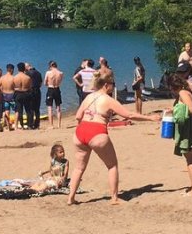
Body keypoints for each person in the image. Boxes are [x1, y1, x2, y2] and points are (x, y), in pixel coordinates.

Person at [66, 68, 161, 205]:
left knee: (79, 167)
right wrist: (150, 118)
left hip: (80, 132)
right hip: (97, 132)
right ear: (106, 85)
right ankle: (114, 198)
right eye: (113, 84)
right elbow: (129, 115)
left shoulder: (88, 97)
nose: (113, 87)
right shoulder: (108, 100)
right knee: (112, 165)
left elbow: (78, 116)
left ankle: (71, 198)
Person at [169, 72, 192, 196]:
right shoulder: (188, 89)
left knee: (190, 160)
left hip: (188, 131)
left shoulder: (182, 93)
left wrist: (176, 111)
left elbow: (191, 109)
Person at [44, 61, 64, 129]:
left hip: (50, 89)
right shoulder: (61, 73)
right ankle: (59, 125)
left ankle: (51, 125)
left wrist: (48, 84)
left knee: (50, 108)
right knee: (58, 107)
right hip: (57, 89)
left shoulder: (48, 72)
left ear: (50, 66)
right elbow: (60, 81)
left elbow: (45, 82)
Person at [12, 62, 31, 129]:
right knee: (28, 110)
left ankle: (22, 125)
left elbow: (12, 87)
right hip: (26, 93)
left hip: (18, 94)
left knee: (19, 111)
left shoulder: (15, 77)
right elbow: (29, 87)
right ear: (24, 68)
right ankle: (29, 125)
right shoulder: (27, 77)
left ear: (18, 69)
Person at [0, 63, 17, 131]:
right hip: (12, 95)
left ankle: (8, 127)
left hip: (4, 95)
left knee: (7, 111)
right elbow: (16, 87)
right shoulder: (13, 78)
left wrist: (1, 92)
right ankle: (15, 125)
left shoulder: (2, 78)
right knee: (16, 111)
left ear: (6, 69)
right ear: (12, 70)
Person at [25, 61, 44, 129]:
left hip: (31, 91)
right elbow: (41, 83)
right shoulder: (38, 73)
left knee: (30, 108)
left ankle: (30, 124)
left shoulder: (27, 73)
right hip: (38, 91)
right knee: (37, 109)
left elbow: (26, 83)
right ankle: (37, 124)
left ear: (27, 67)